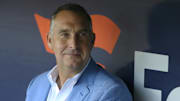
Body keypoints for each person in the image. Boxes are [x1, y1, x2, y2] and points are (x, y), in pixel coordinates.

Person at [25, 3, 132, 101]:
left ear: (92, 40)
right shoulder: (36, 84)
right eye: (65, 34)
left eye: (82, 34)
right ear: (49, 40)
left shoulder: (112, 92)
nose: (73, 44)